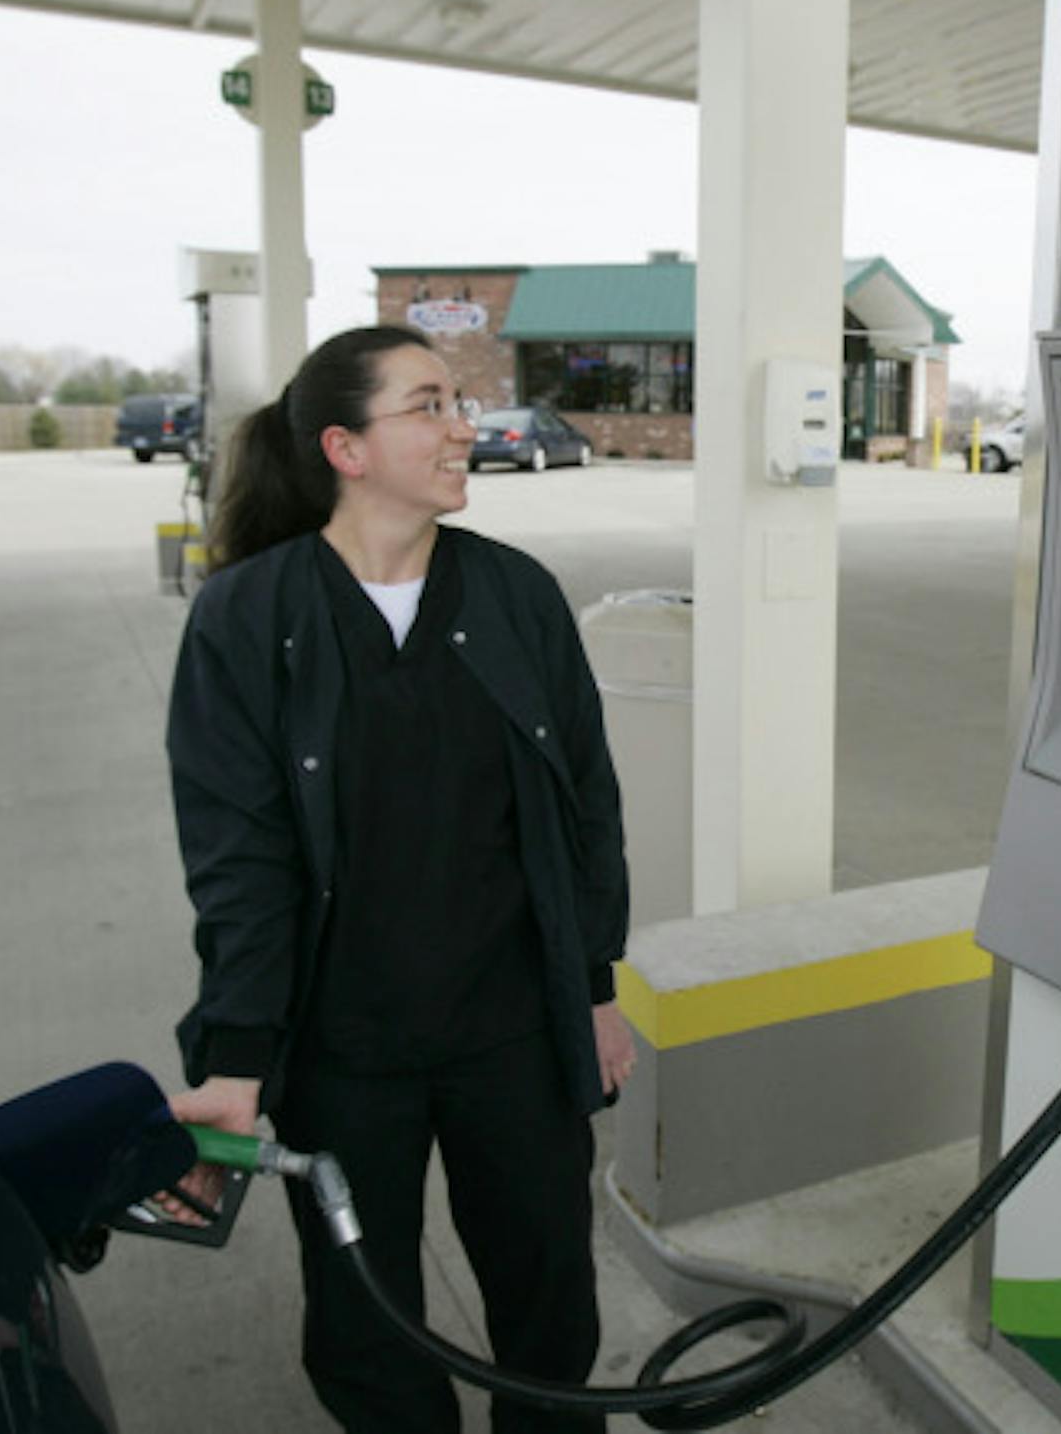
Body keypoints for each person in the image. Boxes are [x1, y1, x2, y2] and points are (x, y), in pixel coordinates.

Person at [161, 325, 633, 1433]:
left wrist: (598, 988)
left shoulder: (519, 596)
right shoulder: (250, 617)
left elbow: (586, 810)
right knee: (366, 1327)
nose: (465, 426)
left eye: (457, 403)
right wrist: (236, 1059)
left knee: (551, 1308)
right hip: (343, 1052)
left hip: (514, 1033)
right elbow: (238, 856)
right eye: (429, 405)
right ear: (345, 446)